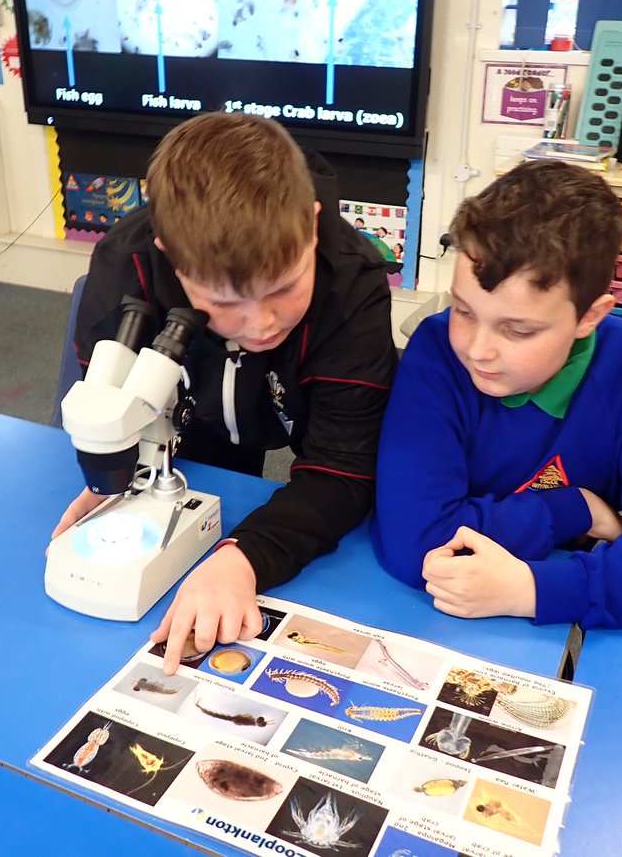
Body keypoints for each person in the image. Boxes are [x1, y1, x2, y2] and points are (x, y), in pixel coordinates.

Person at [52, 112, 397, 671]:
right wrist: (118, 475)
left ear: (312, 227)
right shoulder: (124, 267)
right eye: (224, 301)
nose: (260, 323)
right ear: (169, 256)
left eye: (283, 288)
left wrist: (245, 556)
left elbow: (343, 468)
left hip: (296, 411)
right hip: (194, 422)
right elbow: (111, 398)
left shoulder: (352, 283)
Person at [372, 160, 622, 628]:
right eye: (464, 311)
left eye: (518, 330)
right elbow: (417, 544)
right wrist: (575, 509)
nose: (477, 349)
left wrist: (531, 590)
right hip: (444, 619)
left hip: (552, 612)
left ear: (590, 316)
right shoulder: (437, 352)